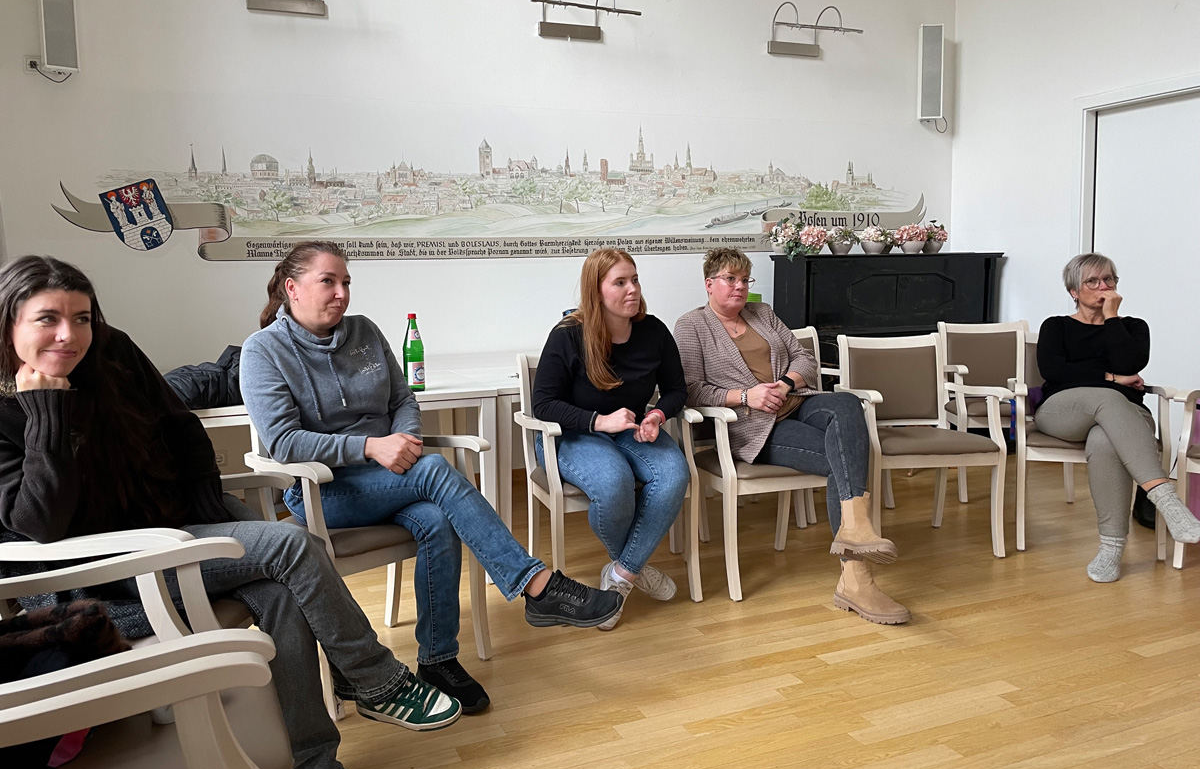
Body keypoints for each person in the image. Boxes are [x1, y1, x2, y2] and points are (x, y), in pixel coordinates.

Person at [0, 255, 462, 769]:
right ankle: (375, 680)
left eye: (82, 318)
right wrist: (46, 411)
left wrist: (206, 511)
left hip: (173, 530)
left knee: (281, 589)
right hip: (98, 574)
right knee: (291, 545)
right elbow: (40, 525)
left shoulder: (110, 351)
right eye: (47, 319)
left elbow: (181, 429)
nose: (69, 335)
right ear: (9, 324)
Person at [241, 242, 621, 711]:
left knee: (436, 520)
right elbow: (284, 443)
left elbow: (403, 399)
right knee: (436, 469)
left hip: (395, 476)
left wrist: (403, 442)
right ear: (292, 288)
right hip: (325, 491)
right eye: (328, 282)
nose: (341, 293)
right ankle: (536, 585)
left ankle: (438, 660)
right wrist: (371, 447)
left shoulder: (364, 331)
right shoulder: (263, 351)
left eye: (346, 282)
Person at [673, 248, 909, 624]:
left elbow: (806, 360)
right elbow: (690, 390)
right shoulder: (691, 325)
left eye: (744, 279)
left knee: (848, 404)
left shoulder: (762, 313)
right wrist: (746, 396)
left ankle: (856, 529)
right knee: (844, 458)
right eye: (730, 279)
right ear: (709, 284)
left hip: (798, 402)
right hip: (752, 426)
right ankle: (856, 579)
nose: (739, 286)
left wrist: (784, 384)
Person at [532, 248, 691, 630]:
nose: (632, 289)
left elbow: (676, 389)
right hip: (572, 434)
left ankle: (621, 575)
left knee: (674, 474)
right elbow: (543, 404)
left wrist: (656, 415)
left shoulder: (654, 331)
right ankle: (636, 565)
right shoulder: (568, 335)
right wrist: (599, 421)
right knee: (614, 481)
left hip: (632, 429)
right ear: (596, 290)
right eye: (620, 282)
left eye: (634, 280)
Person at [1035, 253, 1200, 582]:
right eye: (1092, 281)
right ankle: (1166, 499)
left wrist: (1111, 318)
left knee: (1103, 439)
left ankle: (1111, 548)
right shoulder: (1056, 326)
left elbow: (1130, 363)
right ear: (1073, 291)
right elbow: (1055, 371)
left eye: (1109, 279)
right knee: (1108, 396)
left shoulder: (1133, 327)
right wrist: (1111, 379)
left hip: (1125, 415)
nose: (1103, 287)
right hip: (1062, 411)